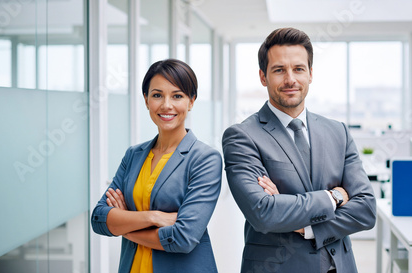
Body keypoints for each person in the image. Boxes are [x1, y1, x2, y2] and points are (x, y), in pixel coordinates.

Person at [222, 27, 376, 273]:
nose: (290, 79)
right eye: (279, 70)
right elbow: (264, 213)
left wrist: (309, 227)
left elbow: (366, 209)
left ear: (311, 74)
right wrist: (333, 197)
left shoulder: (338, 132)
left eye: (298, 69)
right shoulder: (242, 136)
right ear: (263, 77)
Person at [92, 59, 222, 273]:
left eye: (177, 96)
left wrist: (123, 225)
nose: (166, 105)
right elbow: (99, 218)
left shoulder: (205, 159)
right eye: (157, 95)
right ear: (146, 100)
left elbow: (183, 238)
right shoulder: (134, 155)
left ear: (191, 101)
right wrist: (154, 217)